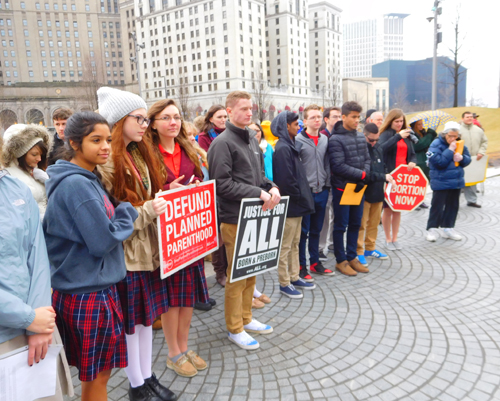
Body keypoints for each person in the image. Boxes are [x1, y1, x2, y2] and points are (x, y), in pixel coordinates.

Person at [43, 112, 138, 401]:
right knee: (98, 377)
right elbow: (102, 240)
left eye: (108, 139)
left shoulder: (82, 177)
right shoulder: (77, 184)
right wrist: (126, 212)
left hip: (85, 288)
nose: (106, 146)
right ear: (73, 142)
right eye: (95, 140)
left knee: (97, 376)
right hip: (89, 293)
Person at [96, 87, 177, 401]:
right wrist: (149, 209)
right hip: (129, 256)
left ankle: (146, 376)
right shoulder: (108, 164)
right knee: (133, 323)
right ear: (119, 121)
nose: (145, 124)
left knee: (145, 319)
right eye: (139, 118)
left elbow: (144, 201)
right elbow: (116, 220)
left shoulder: (137, 155)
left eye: (146, 118)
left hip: (147, 251)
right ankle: (137, 385)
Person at [0, 136, 73, 401]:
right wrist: (27, 318)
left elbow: (37, 254)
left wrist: (38, 323)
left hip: (37, 326)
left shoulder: (15, 189)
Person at [207, 91, 281, 350]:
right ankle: (234, 328)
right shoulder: (222, 143)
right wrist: (258, 192)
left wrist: (271, 186)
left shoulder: (250, 138)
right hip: (234, 218)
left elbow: (258, 176)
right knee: (236, 276)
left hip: (254, 215)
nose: (249, 113)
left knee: (252, 270)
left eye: (251, 108)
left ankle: (247, 318)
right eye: (243, 109)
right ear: (229, 111)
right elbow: (221, 184)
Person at [148, 99, 210, 377]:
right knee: (172, 299)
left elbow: (199, 178)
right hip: (166, 237)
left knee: (187, 298)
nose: (173, 122)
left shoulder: (189, 148)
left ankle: (184, 347)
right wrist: (166, 189)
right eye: (165, 117)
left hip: (190, 234)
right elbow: (143, 193)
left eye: (176, 117)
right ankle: (173, 352)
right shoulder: (146, 153)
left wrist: (195, 185)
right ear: (153, 123)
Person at [272, 111, 316, 298]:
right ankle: (284, 282)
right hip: (291, 205)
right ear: (286, 126)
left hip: (297, 204)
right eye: (295, 124)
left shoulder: (290, 145)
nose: (298, 126)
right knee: (285, 245)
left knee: (296, 242)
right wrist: (298, 196)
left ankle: (294, 276)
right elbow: (286, 180)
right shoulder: (282, 148)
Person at [329, 101, 371, 276]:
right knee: (341, 225)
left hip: (358, 188)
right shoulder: (335, 139)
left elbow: (367, 159)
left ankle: (352, 256)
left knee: (356, 223)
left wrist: (365, 173)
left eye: (358, 117)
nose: (356, 120)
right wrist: (362, 175)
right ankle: (341, 260)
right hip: (343, 189)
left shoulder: (361, 136)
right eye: (353, 117)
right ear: (344, 117)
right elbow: (338, 166)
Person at [296, 104, 334, 279]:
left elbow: (327, 163)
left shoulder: (325, 139)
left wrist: (326, 185)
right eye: (313, 117)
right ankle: (301, 266)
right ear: (305, 121)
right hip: (306, 193)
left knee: (316, 230)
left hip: (322, 191)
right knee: (303, 231)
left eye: (319, 117)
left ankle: (315, 262)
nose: (317, 120)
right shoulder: (297, 141)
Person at [197, 105, 229, 287]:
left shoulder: (229, 134)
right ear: (210, 119)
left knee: (228, 233)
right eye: (219, 116)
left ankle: (228, 269)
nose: (223, 120)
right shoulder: (203, 138)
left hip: (226, 189)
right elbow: (209, 162)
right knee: (218, 235)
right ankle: (219, 272)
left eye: (225, 116)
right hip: (213, 191)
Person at [426, 122, 471, 241]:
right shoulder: (436, 144)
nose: (452, 139)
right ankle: (431, 229)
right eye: (450, 136)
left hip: (455, 180)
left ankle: (448, 228)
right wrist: (450, 150)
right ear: (444, 134)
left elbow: (468, 159)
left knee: (453, 206)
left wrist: (462, 159)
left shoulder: (460, 143)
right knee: (437, 206)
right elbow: (438, 162)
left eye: (455, 136)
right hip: (440, 180)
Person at [356, 123, 395, 266]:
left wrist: (386, 175)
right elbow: (365, 174)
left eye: (376, 140)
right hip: (364, 192)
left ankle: (370, 248)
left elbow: (382, 166)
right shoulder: (360, 149)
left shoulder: (378, 147)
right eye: (371, 140)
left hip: (378, 191)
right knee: (361, 224)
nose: (374, 143)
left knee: (373, 223)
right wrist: (383, 176)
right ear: (364, 135)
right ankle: (359, 250)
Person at [378, 109, 417, 250]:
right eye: (397, 121)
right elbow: (380, 149)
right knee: (388, 209)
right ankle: (388, 239)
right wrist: (397, 137)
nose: (399, 124)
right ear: (391, 121)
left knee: (398, 209)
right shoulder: (386, 134)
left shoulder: (407, 135)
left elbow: (412, 153)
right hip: (390, 175)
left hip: (404, 177)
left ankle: (395, 238)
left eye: (401, 121)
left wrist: (413, 161)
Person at [1, 123, 51, 219]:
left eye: (41, 155)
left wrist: (48, 181)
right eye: (34, 154)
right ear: (21, 154)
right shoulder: (8, 176)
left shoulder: (37, 172)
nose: (39, 159)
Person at [318, 107, 342, 259]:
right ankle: (321, 247)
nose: (338, 119)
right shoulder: (322, 137)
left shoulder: (342, 135)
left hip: (339, 181)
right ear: (326, 119)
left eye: (340, 116)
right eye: (335, 116)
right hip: (325, 182)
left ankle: (334, 243)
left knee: (338, 214)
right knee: (325, 216)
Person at [460, 111, 488, 208]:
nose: (470, 118)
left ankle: (472, 200)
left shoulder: (478, 130)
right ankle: (453, 201)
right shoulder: (457, 130)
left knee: (472, 180)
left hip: (474, 159)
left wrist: (481, 152)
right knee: (459, 179)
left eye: (471, 117)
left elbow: (484, 142)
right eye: (467, 117)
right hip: (460, 160)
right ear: (462, 118)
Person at [409, 119, 437, 209]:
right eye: (419, 125)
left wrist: (430, 134)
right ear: (414, 126)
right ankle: (414, 201)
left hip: (425, 160)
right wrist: (430, 134)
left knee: (424, 182)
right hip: (417, 161)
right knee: (416, 183)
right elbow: (419, 145)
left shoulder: (423, 133)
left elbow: (429, 143)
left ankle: (420, 200)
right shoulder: (411, 134)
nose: (421, 126)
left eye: (422, 124)